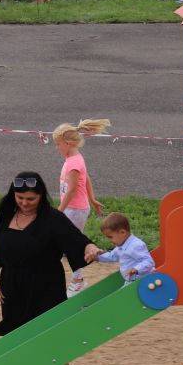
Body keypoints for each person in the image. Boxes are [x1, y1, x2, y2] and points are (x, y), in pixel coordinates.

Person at [0, 171, 97, 365]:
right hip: (14, 292)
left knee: (56, 355)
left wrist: (90, 248)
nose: (25, 202)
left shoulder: (52, 219)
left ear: (41, 196)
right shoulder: (6, 216)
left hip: (46, 291)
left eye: (31, 198)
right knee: (30, 353)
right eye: (20, 197)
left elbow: (77, 240)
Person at [54, 119, 110, 295]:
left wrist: (58, 212)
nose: (57, 148)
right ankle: (77, 278)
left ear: (68, 143)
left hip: (75, 210)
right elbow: (86, 179)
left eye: (58, 144)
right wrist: (93, 200)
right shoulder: (73, 159)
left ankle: (78, 280)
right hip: (75, 208)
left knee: (69, 244)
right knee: (67, 242)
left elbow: (71, 191)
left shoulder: (74, 163)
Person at [91, 212, 155, 283]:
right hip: (130, 280)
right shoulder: (121, 245)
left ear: (122, 232)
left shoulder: (136, 245)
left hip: (141, 281)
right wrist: (97, 257)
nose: (109, 240)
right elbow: (112, 256)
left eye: (110, 237)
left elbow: (148, 262)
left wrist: (136, 269)